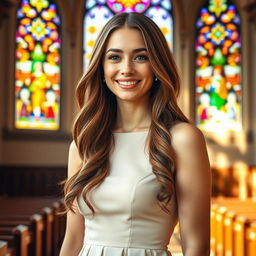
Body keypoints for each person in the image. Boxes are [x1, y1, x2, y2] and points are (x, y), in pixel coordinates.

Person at [59, 12, 211, 256]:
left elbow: (196, 245)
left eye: (141, 57)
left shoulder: (182, 139)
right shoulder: (84, 143)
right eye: (114, 57)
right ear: (101, 67)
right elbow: (74, 238)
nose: (126, 69)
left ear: (158, 65)